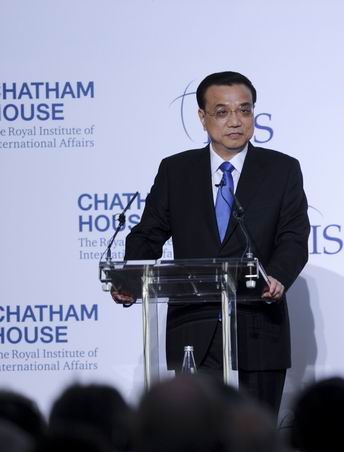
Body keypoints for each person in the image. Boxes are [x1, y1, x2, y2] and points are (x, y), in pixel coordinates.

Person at [112, 71, 310, 414]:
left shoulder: (282, 169)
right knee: (198, 438)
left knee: (255, 438)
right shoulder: (176, 171)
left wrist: (277, 275)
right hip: (193, 330)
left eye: (244, 110)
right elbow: (148, 234)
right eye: (222, 112)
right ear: (202, 117)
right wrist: (130, 279)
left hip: (258, 331)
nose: (235, 121)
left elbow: (294, 236)